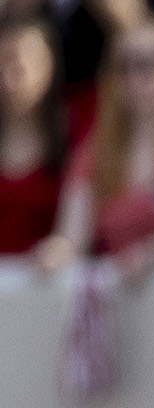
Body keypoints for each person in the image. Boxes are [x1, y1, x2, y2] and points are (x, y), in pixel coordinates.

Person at [35, 15, 154, 277]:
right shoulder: (93, 151)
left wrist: (151, 254)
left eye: (147, 66)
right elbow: (72, 235)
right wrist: (54, 252)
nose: (133, 79)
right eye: (123, 67)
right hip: (118, 298)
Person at [0, 9, 64, 258]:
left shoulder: (75, 133)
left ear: (51, 65)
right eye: (5, 60)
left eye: (25, 61)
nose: (14, 74)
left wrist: (62, 247)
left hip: (47, 289)